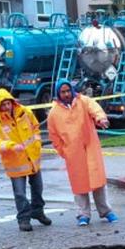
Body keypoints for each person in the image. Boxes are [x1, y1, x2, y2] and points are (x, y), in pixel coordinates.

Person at [47, 80, 117, 226]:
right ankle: (83, 214)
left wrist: (101, 118)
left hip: (90, 148)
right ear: (58, 94)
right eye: (63, 92)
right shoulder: (53, 113)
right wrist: (64, 152)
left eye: (68, 91)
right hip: (73, 153)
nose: (66, 94)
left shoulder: (84, 101)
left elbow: (95, 109)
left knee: (97, 181)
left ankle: (105, 211)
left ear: (72, 90)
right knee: (79, 185)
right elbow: (54, 137)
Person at [0, 88, 50, 232]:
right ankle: (24, 219)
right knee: (20, 193)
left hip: (32, 158)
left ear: (12, 102)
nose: (6, 107)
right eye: (3, 105)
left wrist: (37, 144)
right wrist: (11, 146)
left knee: (38, 188)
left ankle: (38, 211)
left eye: (8, 103)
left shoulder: (25, 112)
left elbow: (35, 128)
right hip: (15, 162)